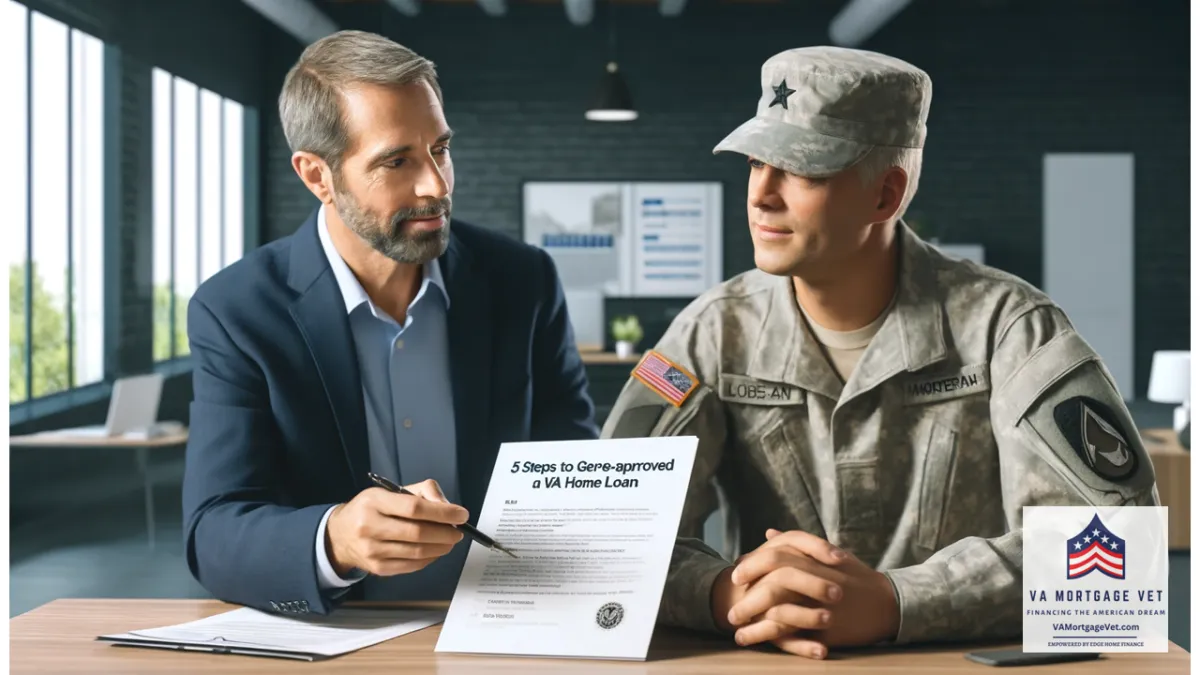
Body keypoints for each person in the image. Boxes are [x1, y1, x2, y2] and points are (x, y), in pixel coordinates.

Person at [601, 46, 1160, 659]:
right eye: (757, 162)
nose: (761, 195)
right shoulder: (711, 332)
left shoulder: (1009, 328)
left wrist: (900, 602)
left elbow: (1120, 556)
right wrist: (725, 595)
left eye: (802, 170)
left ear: (885, 196)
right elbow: (609, 531)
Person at [182, 30, 597, 616]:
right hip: (345, 635)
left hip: (517, 621)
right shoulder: (237, 310)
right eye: (396, 161)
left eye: (441, 149)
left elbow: (579, 469)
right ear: (317, 176)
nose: (435, 185)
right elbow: (213, 531)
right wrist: (337, 539)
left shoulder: (523, 281)